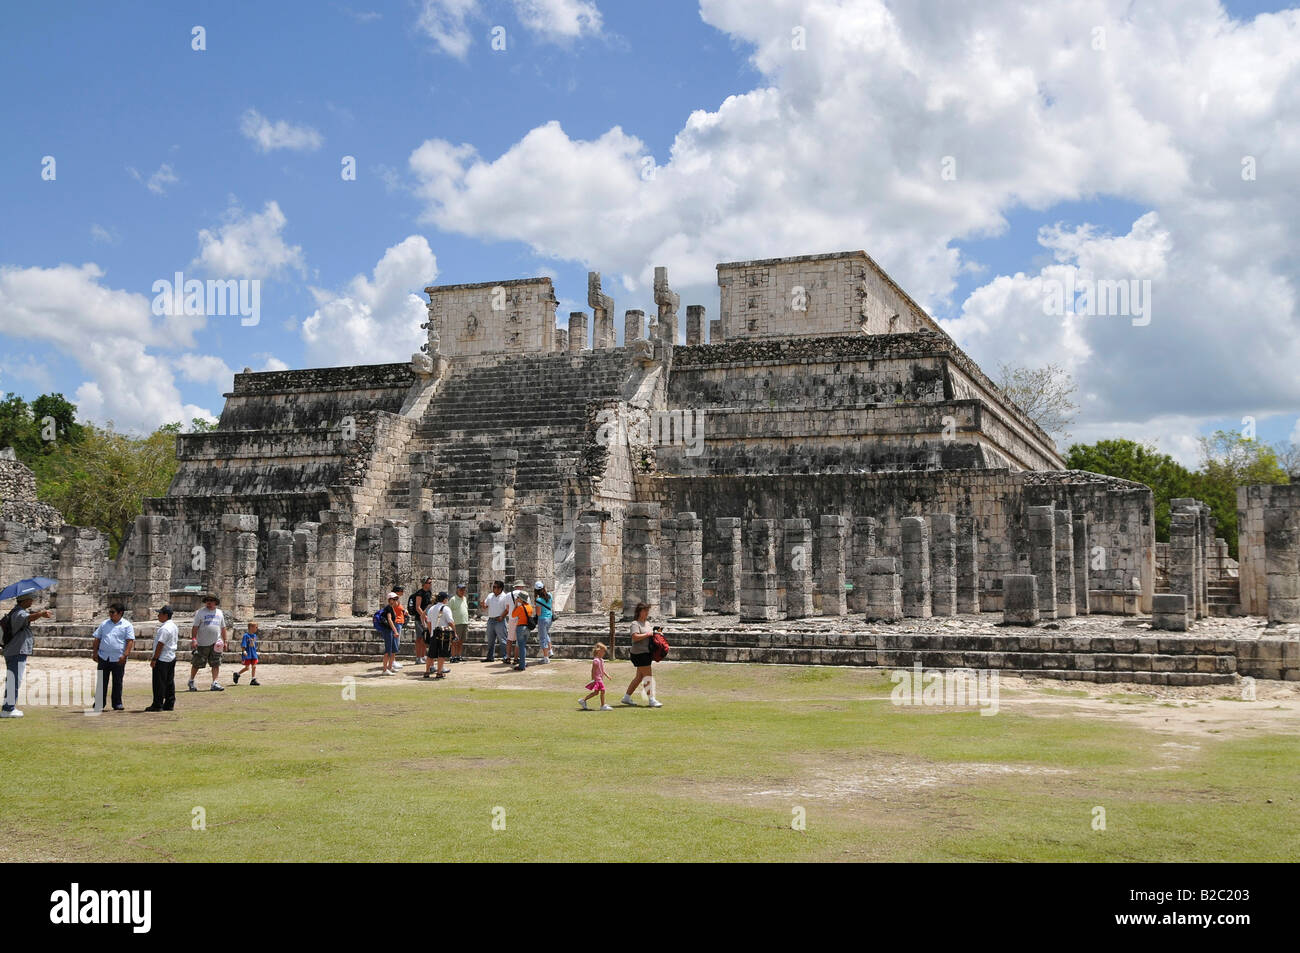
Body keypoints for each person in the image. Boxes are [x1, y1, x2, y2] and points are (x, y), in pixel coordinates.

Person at [2, 594, 51, 718]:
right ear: (24, 601)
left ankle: (9, 707)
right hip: (16, 651)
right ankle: (8, 709)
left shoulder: (17, 612)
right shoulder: (19, 613)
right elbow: (28, 618)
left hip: (15, 651)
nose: (32, 601)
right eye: (30, 599)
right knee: (14, 680)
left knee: (13, 679)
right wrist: (41, 614)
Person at [91, 603, 135, 711]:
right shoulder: (104, 624)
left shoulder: (127, 625)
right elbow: (97, 638)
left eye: (112, 612)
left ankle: (117, 703)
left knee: (117, 681)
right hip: (104, 657)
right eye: (109, 612)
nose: (110, 614)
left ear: (120, 613)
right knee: (101, 681)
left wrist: (125, 655)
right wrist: (95, 652)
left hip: (118, 658)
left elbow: (130, 641)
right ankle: (99, 703)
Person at [621, 603, 662, 708]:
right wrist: (647, 634)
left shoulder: (647, 623)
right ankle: (651, 700)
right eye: (645, 611)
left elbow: (650, 635)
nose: (647, 613)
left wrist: (657, 634)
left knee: (639, 677)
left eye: (647, 611)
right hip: (639, 653)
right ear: (639, 612)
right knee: (648, 676)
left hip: (647, 652)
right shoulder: (635, 624)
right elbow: (635, 637)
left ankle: (626, 697)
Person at [189, 594, 227, 692]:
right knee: (197, 663)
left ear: (215, 602)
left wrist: (225, 641)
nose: (209, 603)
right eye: (207, 601)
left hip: (216, 643)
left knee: (216, 663)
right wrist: (194, 639)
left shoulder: (219, 613)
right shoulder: (200, 612)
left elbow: (223, 628)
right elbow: (195, 627)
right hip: (202, 643)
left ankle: (215, 682)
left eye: (211, 600)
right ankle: (191, 680)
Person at [145, 605, 178, 712]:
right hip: (171, 656)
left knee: (159, 682)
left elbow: (160, 644)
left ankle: (157, 704)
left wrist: (154, 659)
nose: (158, 615)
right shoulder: (173, 626)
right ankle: (169, 703)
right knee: (169, 681)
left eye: (160, 613)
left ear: (165, 615)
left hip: (162, 658)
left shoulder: (165, 628)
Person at [422, 592, 455, 680]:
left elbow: (428, 622)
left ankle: (427, 671)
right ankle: (439, 672)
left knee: (431, 654)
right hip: (443, 634)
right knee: (442, 654)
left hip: (434, 633)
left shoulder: (432, 608)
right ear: (445, 599)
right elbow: (450, 622)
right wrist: (454, 632)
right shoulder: (446, 608)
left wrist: (431, 632)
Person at [481, 580, 510, 663]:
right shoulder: (490, 595)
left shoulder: (505, 597)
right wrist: (483, 605)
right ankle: (490, 657)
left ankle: (505, 657)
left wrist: (502, 617)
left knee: (503, 640)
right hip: (491, 620)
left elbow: (507, 609)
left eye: (495, 587)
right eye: (493, 587)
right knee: (490, 640)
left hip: (499, 620)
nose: (494, 589)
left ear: (500, 588)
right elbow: (485, 606)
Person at [579, 642, 612, 711]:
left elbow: (602, 669)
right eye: (603, 651)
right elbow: (593, 671)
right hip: (597, 679)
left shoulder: (601, 660)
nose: (604, 653)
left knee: (596, 692)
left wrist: (607, 675)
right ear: (599, 651)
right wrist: (593, 679)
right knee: (603, 690)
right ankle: (602, 706)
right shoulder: (596, 661)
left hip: (600, 678)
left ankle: (583, 700)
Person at [412, 578, 434, 665]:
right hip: (420, 619)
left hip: (427, 618)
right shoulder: (419, 593)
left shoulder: (429, 592)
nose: (430, 584)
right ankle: (418, 657)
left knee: (425, 638)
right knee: (419, 638)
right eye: (429, 583)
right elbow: (418, 607)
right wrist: (424, 616)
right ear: (424, 583)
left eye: (431, 582)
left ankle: (423, 656)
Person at [510, 591, 534, 671]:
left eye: (518, 598)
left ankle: (522, 666)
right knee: (523, 646)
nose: (517, 599)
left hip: (520, 627)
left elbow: (513, 615)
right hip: (527, 628)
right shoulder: (530, 607)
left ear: (521, 599)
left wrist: (516, 604)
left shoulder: (520, 608)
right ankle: (523, 663)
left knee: (521, 647)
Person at [232, 621, 260, 685]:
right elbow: (243, 644)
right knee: (247, 668)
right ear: (251, 627)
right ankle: (237, 674)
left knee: (254, 666)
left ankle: (253, 679)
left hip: (253, 653)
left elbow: (254, 645)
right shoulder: (246, 635)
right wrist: (244, 650)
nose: (257, 628)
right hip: (248, 653)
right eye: (256, 627)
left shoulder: (255, 636)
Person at [533, 581, 555, 663]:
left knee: (542, 638)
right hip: (550, 618)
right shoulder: (550, 595)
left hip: (542, 619)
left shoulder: (538, 600)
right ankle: (550, 651)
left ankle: (546, 658)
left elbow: (538, 613)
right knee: (545, 634)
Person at [379, 593, 400, 675]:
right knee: (388, 651)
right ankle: (384, 669)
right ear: (389, 600)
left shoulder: (391, 608)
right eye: (393, 599)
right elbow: (389, 620)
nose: (395, 601)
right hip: (388, 631)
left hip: (391, 631)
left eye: (396, 599)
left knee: (393, 650)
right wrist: (395, 631)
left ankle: (390, 667)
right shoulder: (388, 608)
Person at [448, 582, 469, 662]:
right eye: (461, 590)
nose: (462, 591)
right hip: (456, 623)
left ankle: (459, 656)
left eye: (463, 590)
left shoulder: (464, 598)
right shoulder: (453, 599)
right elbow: (448, 611)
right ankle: (453, 657)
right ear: (457, 590)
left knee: (461, 641)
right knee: (454, 641)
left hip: (464, 622)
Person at [391, 585, 407, 670]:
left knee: (396, 642)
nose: (403, 593)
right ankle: (392, 661)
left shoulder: (396, 599)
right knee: (395, 642)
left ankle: (393, 660)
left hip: (399, 622)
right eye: (401, 591)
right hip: (397, 622)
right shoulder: (394, 599)